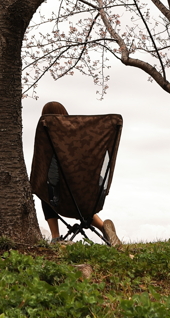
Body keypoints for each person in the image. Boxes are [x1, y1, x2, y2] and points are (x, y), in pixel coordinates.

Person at [39, 101, 121, 246]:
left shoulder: (49, 138)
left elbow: (51, 177)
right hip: (87, 195)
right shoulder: (80, 140)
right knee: (81, 202)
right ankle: (104, 227)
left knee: (45, 192)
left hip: (61, 198)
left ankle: (56, 237)